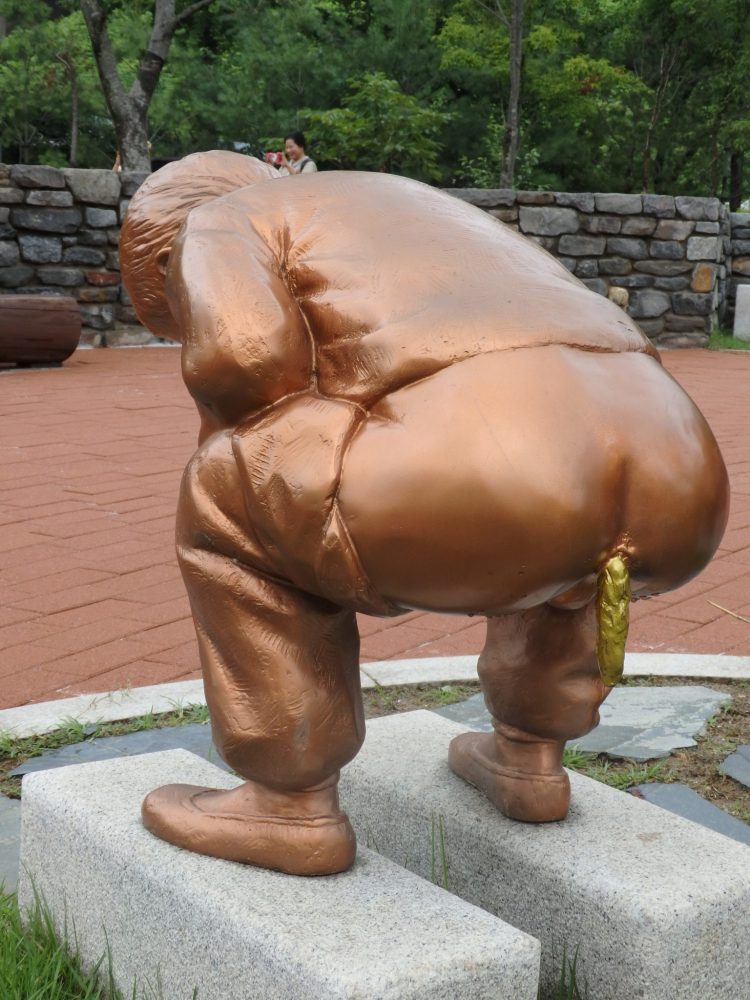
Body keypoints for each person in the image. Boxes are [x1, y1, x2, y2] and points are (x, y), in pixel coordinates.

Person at [120, 151, 728, 877]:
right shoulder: (413, 202)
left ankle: (288, 804)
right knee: (564, 538)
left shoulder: (222, 221)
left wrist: (270, 482)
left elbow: (241, 365)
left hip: (493, 482)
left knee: (227, 490)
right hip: (681, 473)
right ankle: (528, 758)